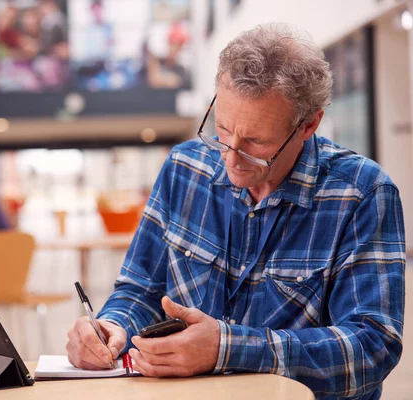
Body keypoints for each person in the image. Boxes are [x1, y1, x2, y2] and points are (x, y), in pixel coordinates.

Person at [66, 24, 405, 399]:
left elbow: (372, 348)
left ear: (309, 124)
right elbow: (140, 290)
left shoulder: (361, 192)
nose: (229, 157)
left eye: (255, 143)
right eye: (222, 129)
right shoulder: (184, 168)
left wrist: (227, 348)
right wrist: (113, 326)